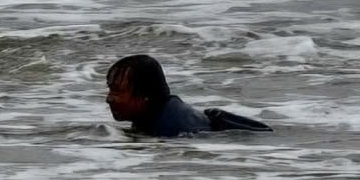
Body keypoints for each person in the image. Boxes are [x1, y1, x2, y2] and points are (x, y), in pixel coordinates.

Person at [104, 54, 271, 137]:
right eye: (110, 90)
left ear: (144, 95)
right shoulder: (158, 113)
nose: (109, 98)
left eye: (117, 91)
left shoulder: (168, 128)